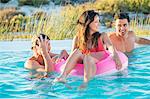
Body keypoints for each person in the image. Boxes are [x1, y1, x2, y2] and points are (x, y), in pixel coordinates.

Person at [54, 10, 122, 89]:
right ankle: (63, 76)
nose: (99, 24)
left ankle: (86, 83)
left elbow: (110, 46)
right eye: (96, 22)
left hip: (97, 58)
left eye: (98, 21)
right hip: (84, 58)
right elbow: (74, 58)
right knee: (79, 52)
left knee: (87, 57)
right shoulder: (77, 38)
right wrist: (64, 53)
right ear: (88, 23)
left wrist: (115, 55)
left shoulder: (102, 36)